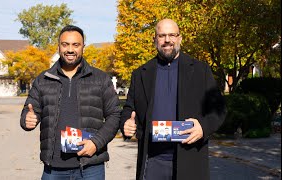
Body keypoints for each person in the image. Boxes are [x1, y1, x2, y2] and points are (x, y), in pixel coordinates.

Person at [120, 19, 226, 180]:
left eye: (172, 35)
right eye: (162, 35)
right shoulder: (141, 73)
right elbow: (129, 108)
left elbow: (219, 110)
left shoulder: (200, 70)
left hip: (190, 160)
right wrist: (126, 123)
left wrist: (203, 128)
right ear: (154, 39)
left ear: (180, 38)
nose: (167, 40)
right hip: (152, 161)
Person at [20, 25, 121, 180]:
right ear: (59, 46)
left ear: (83, 47)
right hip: (53, 168)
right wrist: (27, 118)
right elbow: (29, 110)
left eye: (76, 45)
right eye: (65, 44)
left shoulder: (100, 79)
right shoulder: (43, 79)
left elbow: (115, 115)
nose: (70, 50)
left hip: (90, 167)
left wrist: (96, 143)